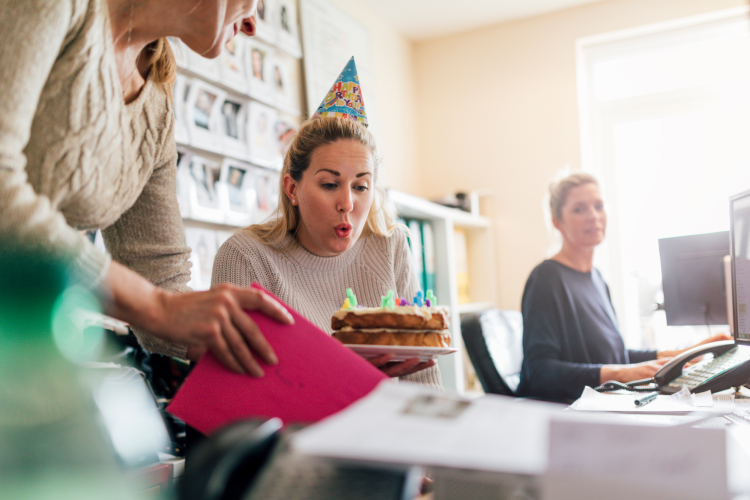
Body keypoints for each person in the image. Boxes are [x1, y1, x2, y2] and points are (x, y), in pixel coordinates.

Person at [0, 0, 295, 378]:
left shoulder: (157, 109)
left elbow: (159, 281)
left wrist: (301, 365)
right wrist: (154, 306)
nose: (254, 24)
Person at [212, 117, 442, 387]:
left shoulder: (391, 246)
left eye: (360, 187)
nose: (347, 204)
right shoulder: (246, 257)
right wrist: (344, 376)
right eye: (330, 185)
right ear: (292, 188)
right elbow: (236, 393)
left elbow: (423, 381)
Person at [516, 173, 729, 403]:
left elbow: (614, 356)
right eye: (579, 209)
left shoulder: (596, 279)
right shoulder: (546, 278)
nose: (593, 216)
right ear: (557, 221)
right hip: (567, 414)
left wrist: (683, 354)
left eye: (599, 206)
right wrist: (623, 373)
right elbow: (538, 372)